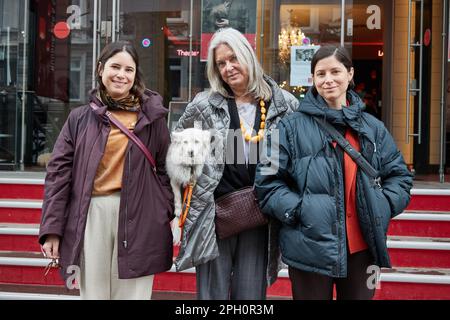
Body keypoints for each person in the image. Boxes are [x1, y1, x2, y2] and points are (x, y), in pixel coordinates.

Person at [255, 45, 413, 300]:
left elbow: (400, 177)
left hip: (362, 248)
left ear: (350, 74)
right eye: (320, 74)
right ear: (313, 79)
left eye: (335, 71)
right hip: (309, 247)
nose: (328, 80)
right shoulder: (288, 127)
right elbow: (267, 181)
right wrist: (299, 210)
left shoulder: (373, 128)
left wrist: (382, 205)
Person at [38, 41, 174, 300]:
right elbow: (58, 176)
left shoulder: (152, 119)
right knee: (95, 295)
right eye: (115, 67)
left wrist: (162, 208)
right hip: (93, 215)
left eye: (129, 69)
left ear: (135, 76)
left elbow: (166, 169)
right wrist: (52, 229)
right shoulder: (80, 119)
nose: (121, 75)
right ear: (101, 69)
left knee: (133, 295)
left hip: (141, 215)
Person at [173, 27, 299, 300]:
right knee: (211, 295)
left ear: (248, 56)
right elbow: (178, 150)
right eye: (221, 63)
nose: (228, 68)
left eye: (233, 59)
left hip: (259, 215)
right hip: (214, 216)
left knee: (250, 295)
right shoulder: (204, 104)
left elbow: (298, 159)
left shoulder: (283, 103)